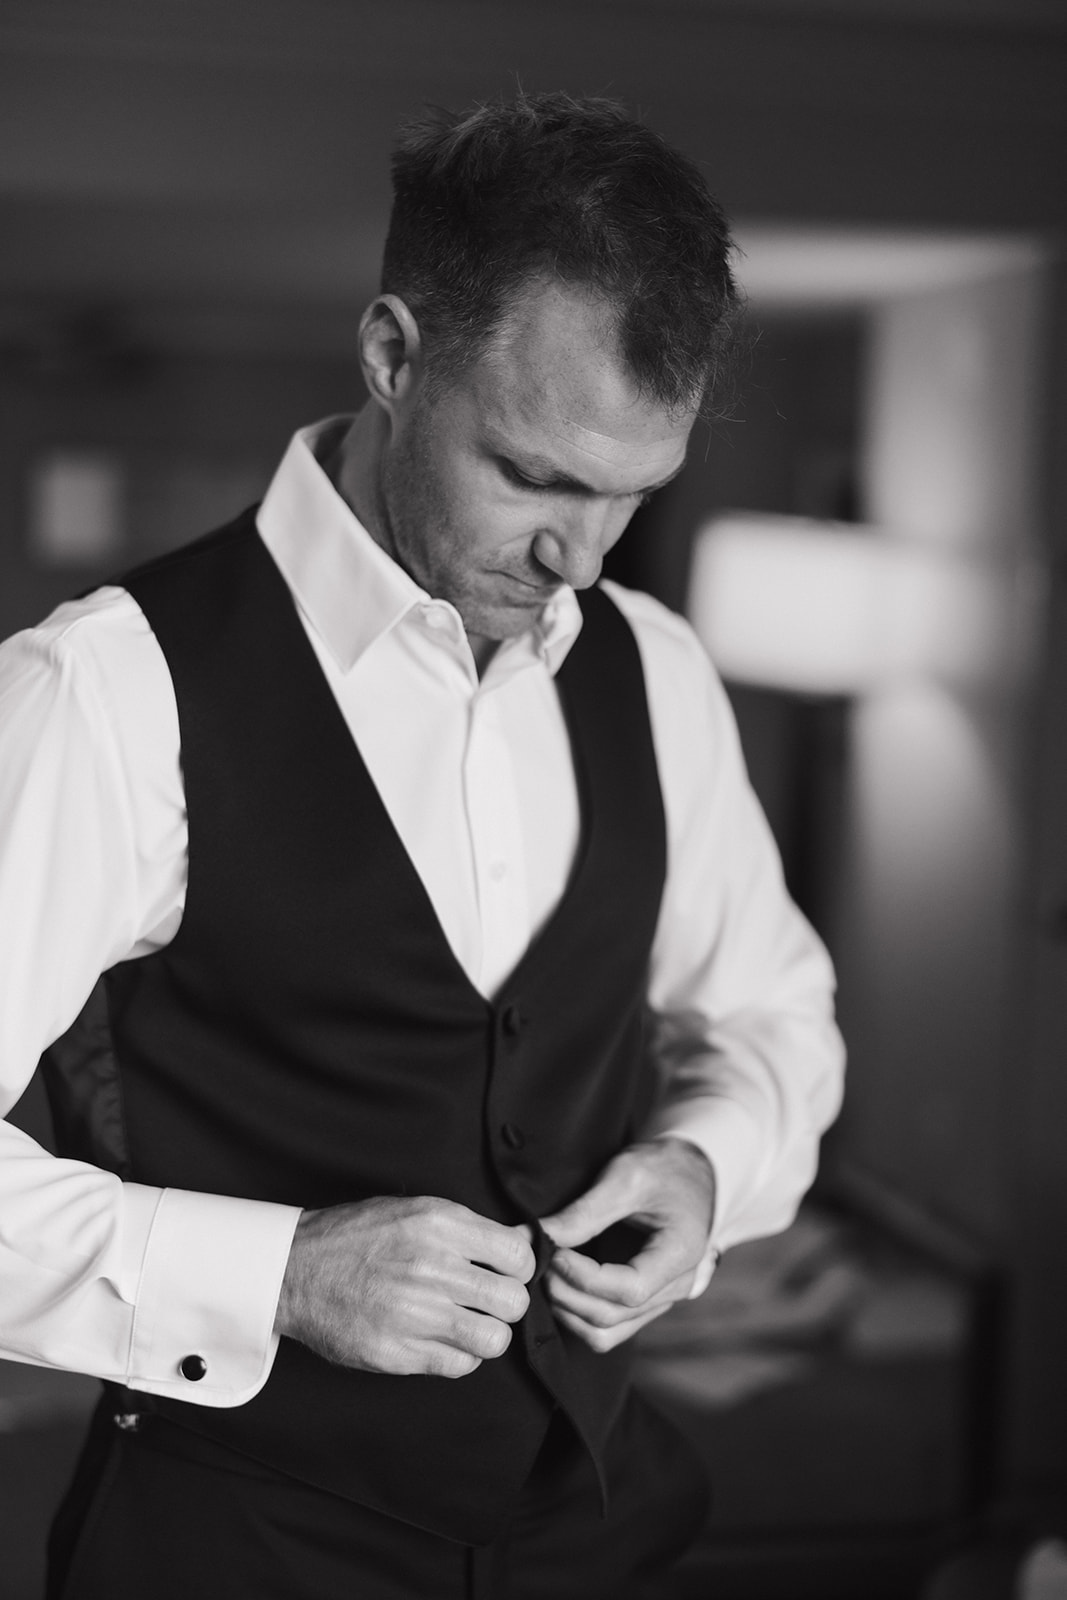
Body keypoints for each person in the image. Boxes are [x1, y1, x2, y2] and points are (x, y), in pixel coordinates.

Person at [0, 92, 844, 1599]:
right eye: (534, 475)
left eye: (628, 499)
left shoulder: (654, 669)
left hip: (593, 1530)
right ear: (393, 356)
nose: (574, 559)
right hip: (232, 1549)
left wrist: (709, 1169)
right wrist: (278, 1273)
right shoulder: (106, 687)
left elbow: (773, 1014)